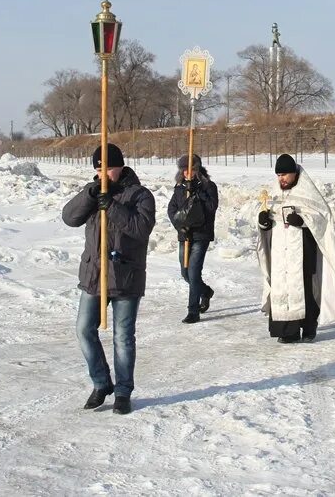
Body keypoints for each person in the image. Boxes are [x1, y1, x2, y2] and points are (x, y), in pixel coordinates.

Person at [62, 143, 156, 415]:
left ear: (121, 167)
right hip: (94, 275)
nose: (103, 173)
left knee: (123, 337)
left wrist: (112, 206)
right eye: (98, 168)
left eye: (109, 168)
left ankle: (124, 392)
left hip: (126, 277)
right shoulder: (92, 192)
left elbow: (140, 229)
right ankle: (102, 383)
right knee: (83, 329)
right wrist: (90, 195)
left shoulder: (140, 195)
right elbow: (69, 218)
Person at [256, 153, 335, 343]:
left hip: (303, 248)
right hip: (280, 249)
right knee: (281, 288)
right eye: (278, 175)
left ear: (294, 174)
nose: (281, 179)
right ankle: (287, 331)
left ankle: (308, 327)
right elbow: (267, 217)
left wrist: (304, 220)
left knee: (303, 288)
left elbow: (323, 216)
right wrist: (263, 222)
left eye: (285, 175)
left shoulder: (307, 191)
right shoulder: (274, 193)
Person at [167, 153, 219, 324]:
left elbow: (212, 207)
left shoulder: (209, 186)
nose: (186, 173)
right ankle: (205, 292)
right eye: (183, 170)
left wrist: (199, 192)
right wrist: (179, 225)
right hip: (185, 235)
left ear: (197, 170)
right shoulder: (180, 188)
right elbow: (172, 209)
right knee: (185, 273)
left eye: (190, 170)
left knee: (194, 273)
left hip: (200, 235)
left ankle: (193, 311)